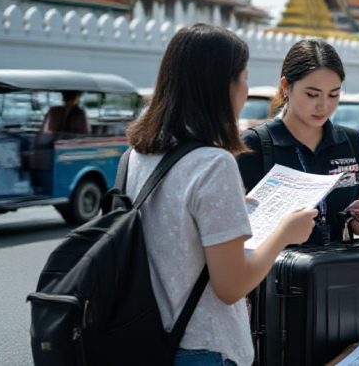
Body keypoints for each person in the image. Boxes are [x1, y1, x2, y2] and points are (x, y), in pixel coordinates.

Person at [124, 24, 317, 366]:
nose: (246, 87)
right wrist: (285, 233)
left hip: (146, 338)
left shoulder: (136, 155)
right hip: (203, 346)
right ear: (221, 85)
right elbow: (231, 286)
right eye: (243, 76)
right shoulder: (214, 164)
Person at [237, 39, 359, 245]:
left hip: (334, 271)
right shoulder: (256, 144)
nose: (323, 106)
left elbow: (358, 225)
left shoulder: (350, 141)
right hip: (278, 272)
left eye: (334, 94)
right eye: (312, 95)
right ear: (286, 86)